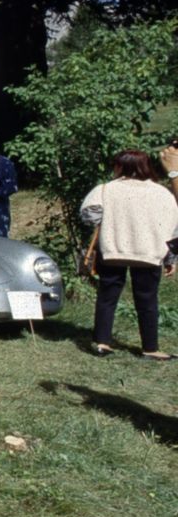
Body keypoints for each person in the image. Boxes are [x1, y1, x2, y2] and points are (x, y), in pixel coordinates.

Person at [81, 150, 178, 360]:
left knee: (107, 297)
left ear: (120, 166)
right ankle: (150, 348)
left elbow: (89, 216)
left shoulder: (106, 189)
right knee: (148, 301)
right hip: (149, 253)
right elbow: (173, 227)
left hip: (113, 251)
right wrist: (171, 258)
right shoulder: (162, 193)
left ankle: (102, 342)